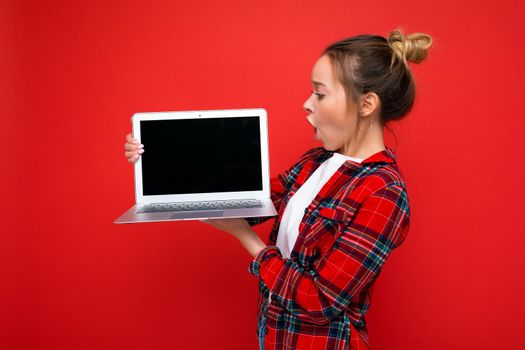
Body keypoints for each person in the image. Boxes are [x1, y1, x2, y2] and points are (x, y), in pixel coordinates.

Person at [123, 28, 432, 349]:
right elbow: (247, 200)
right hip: (274, 338)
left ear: (366, 104)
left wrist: (247, 240)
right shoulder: (316, 161)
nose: (306, 104)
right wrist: (158, 160)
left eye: (320, 94)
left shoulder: (384, 193)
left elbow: (321, 300)